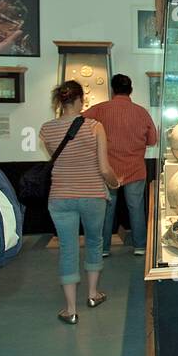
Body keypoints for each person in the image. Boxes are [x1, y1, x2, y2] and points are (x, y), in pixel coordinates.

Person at [42, 81, 117, 322]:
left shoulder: (46, 129)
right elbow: (104, 168)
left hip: (60, 197)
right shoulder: (95, 127)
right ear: (81, 100)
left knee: (68, 248)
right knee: (95, 242)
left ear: (60, 101)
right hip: (93, 194)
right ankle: (93, 294)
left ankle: (71, 309)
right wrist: (114, 183)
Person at [83, 74, 157, 256]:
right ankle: (140, 246)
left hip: (107, 169)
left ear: (112, 89)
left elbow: (77, 124)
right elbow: (153, 140)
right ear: (130, 90)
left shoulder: (99, 110)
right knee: (137, 208)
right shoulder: (141, 112)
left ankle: (103, 248)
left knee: (106, 209)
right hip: (135, 168)